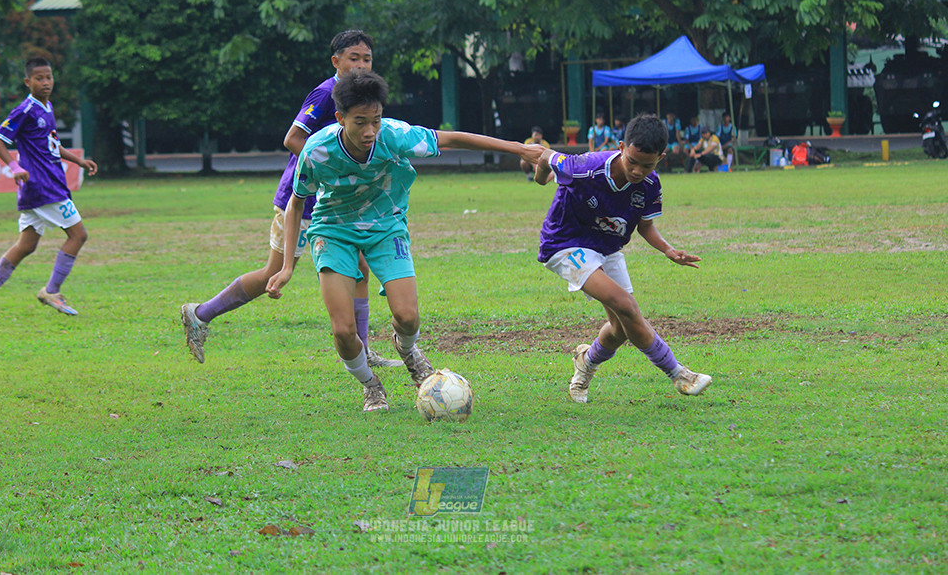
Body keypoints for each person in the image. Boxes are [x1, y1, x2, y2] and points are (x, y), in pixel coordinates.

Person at [266, 71, 545, 412]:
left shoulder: (394, 135)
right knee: (342, 330)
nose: (370, 131)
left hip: (386, 226)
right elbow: (296, 204)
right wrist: (286, 267)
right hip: (333, 230)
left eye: (376, 120)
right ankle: (371, 386)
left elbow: (451, 139)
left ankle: (407, 348)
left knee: (408, 316)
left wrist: (520, 149)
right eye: (360, 122)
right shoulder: (317, 151)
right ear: (340, 119)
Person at [180, 30, 400, 368]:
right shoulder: (327, 94)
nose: (360, 64)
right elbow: (294, 138)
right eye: (353, 58)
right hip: (303, 198)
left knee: (360, 267)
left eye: (366, 58)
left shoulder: (359, 98)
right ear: (336, 61)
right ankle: (200, 313)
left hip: (336, 202)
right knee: (275, 270)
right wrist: (332, 172)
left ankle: (363, 348)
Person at [532, 113, 712, 403]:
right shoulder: (584, 166)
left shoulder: (651, 186)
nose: (638, 171)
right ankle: (679, 374)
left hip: (606, 246)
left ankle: (586, 361)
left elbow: (645, 225)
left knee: (620, 329)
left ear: (661, 159)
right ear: (620, 147)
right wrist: (542, 179)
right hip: (564, 244)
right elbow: (543, 157)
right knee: (626, 305)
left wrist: (667, 249)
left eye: (647, 165)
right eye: (632, 161)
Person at [0, 57, 98, 319]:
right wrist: (14, 167)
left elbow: (52, 145)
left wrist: (78, 161)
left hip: (39, 187)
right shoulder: (25, 109)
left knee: (27, 245)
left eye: (48, 77)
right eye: (39, 78)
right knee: (78, 235)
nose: (45, 82)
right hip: (43, 187)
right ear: (28, 82)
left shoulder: (47, 107)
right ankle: (52, 291)